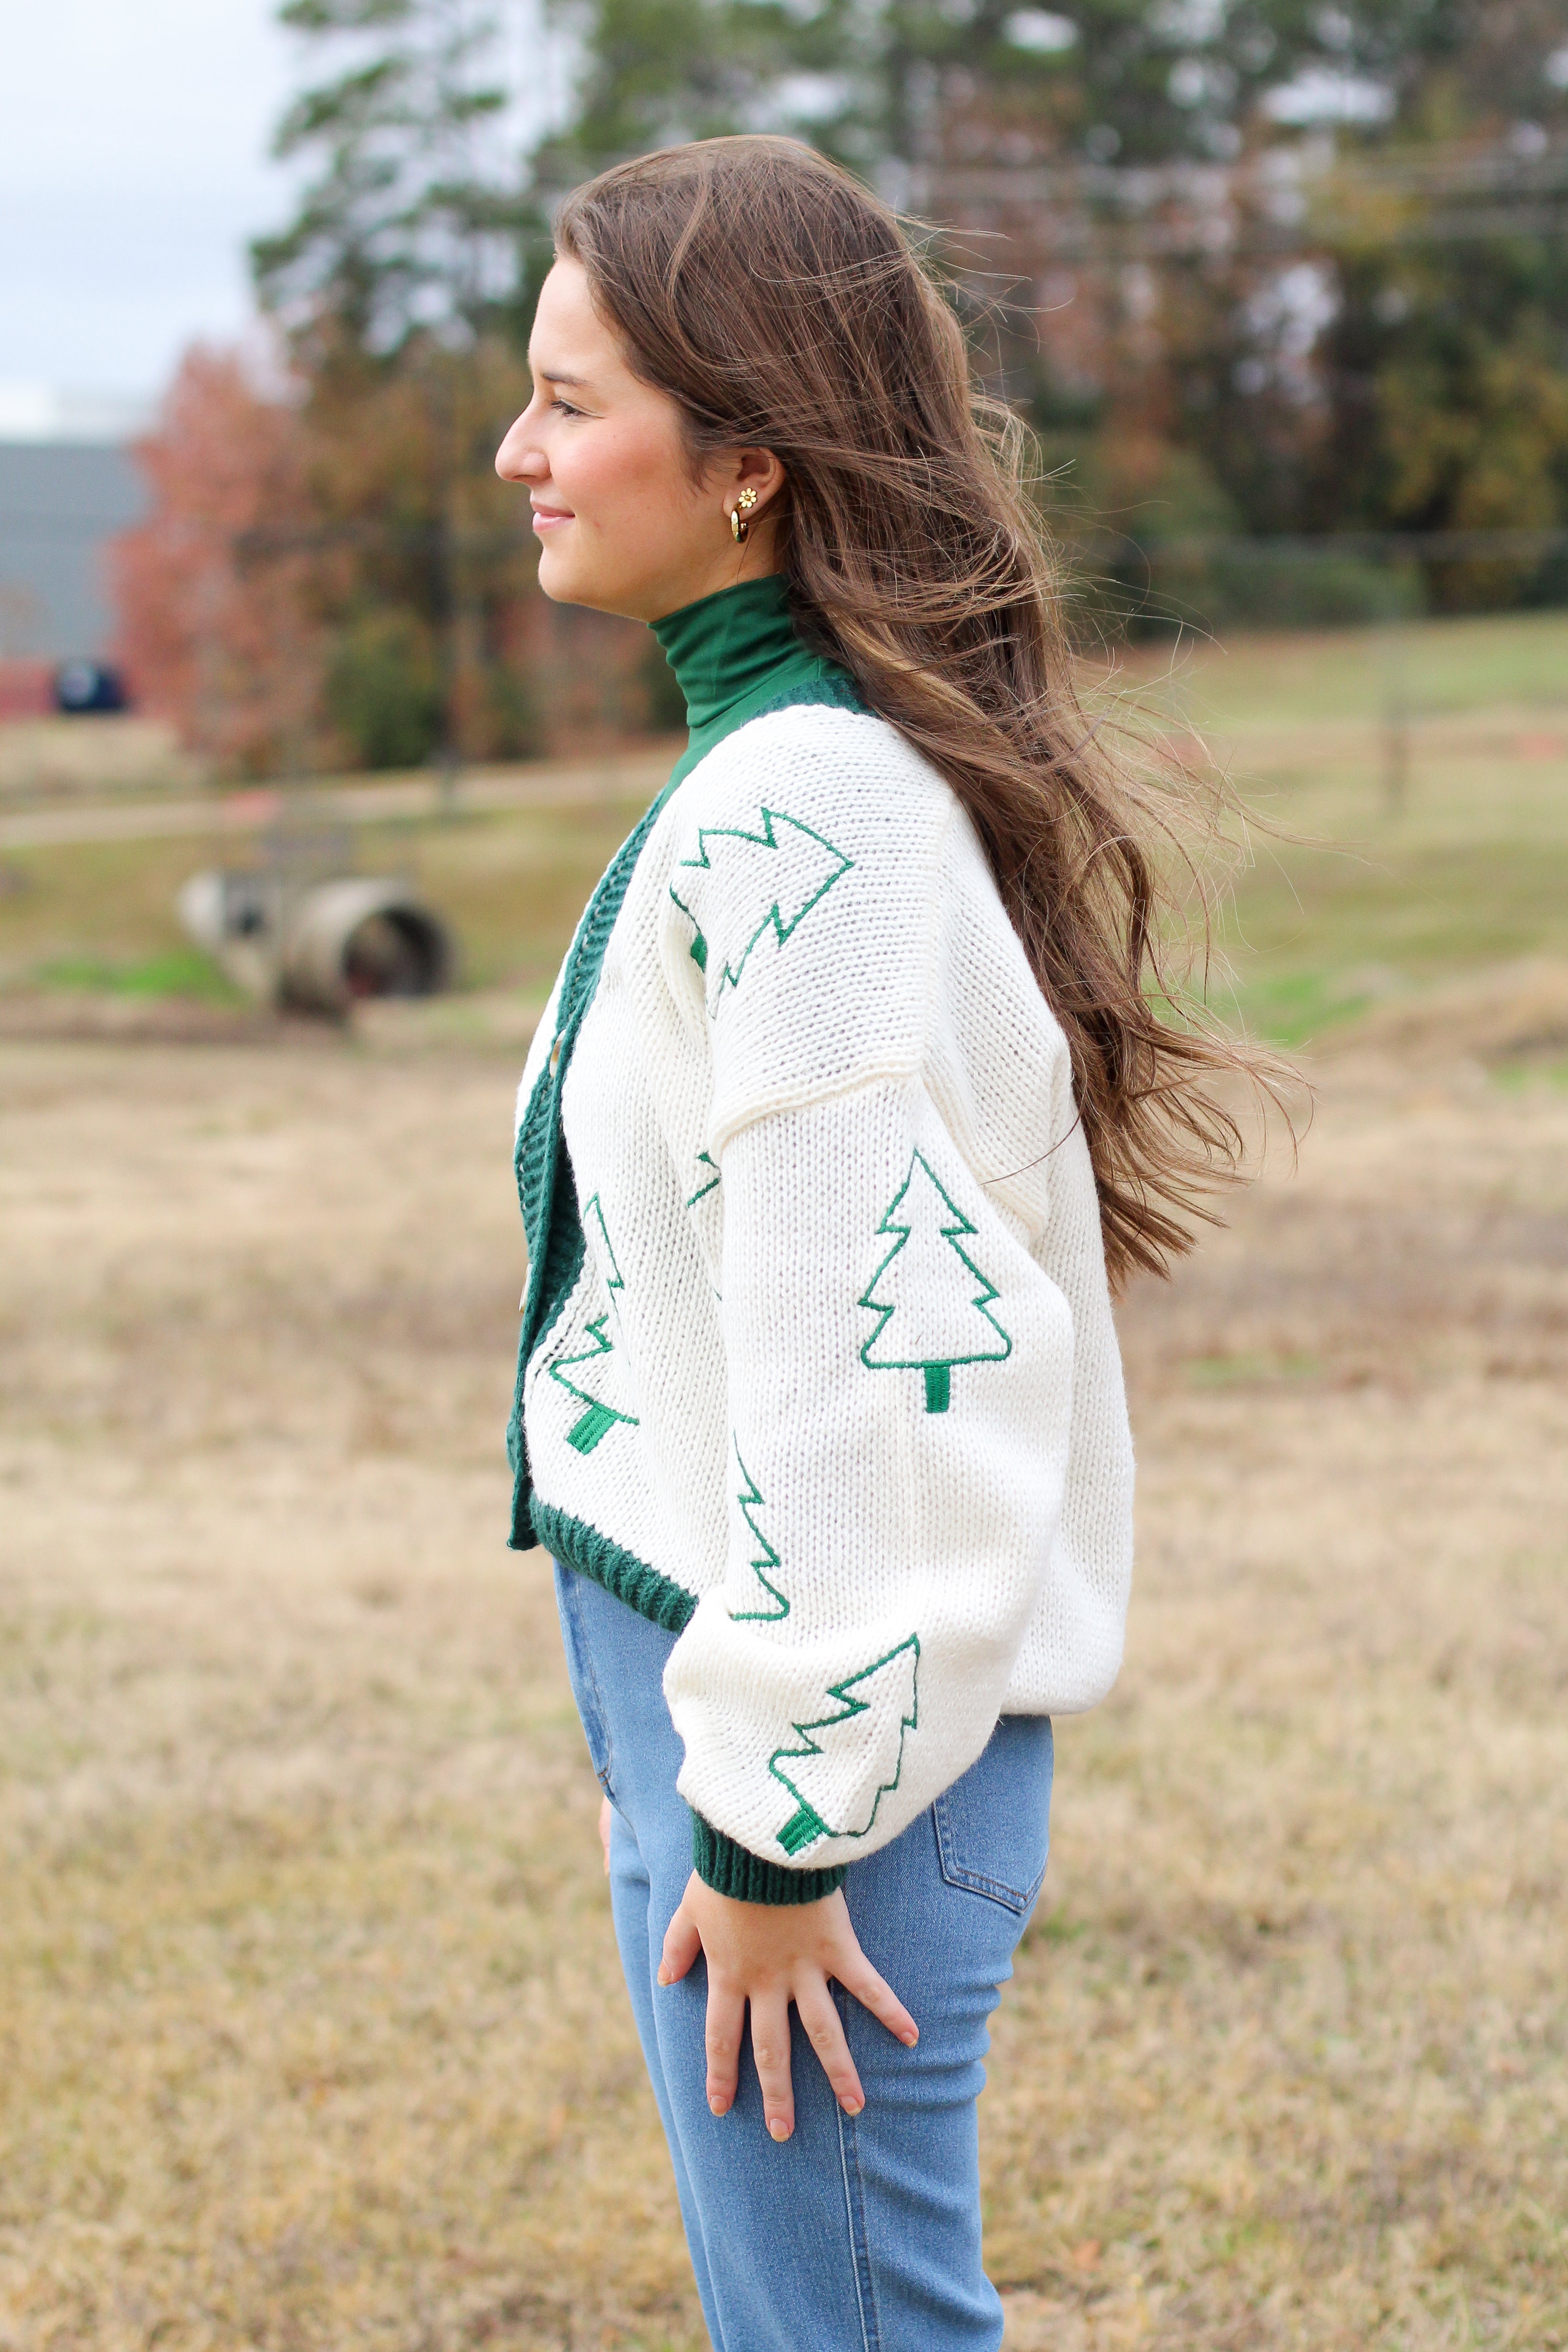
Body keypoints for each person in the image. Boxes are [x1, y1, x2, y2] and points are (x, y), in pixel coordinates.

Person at [495, 135, 1256, 2352]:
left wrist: (774, 1827)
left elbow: (867, 1368)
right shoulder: (781, 775)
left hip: (828, 1781)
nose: (517, 452)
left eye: (569, 400)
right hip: (758, 1732)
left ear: (747, 461)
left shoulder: (808, 806)